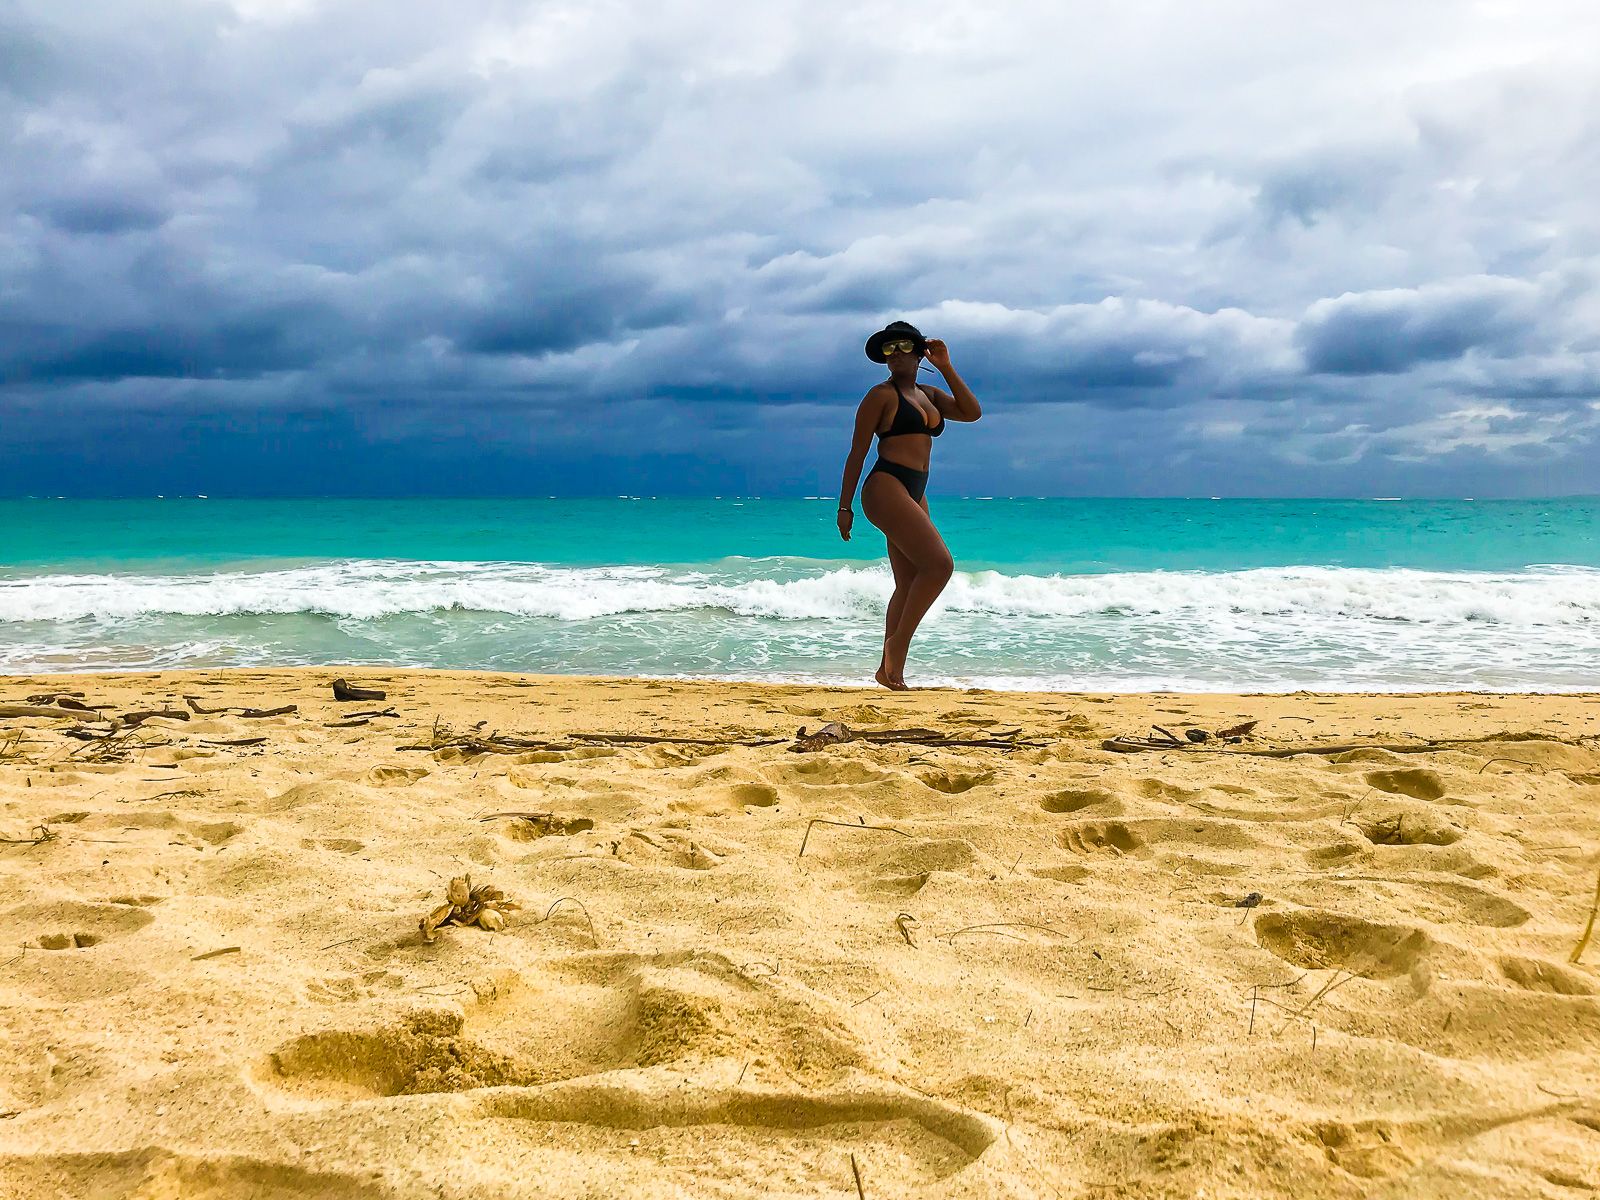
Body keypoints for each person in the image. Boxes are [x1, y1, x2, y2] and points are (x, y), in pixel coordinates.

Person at [836, 321, 982, 690]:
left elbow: (971, 412)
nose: (895, 353)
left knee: (909, 580)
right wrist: (844, 507)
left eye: (903, 346)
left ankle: (889, 672)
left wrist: (946, 366)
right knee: (939, 565)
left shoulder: (930, 394)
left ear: (919, 352)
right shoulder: (879, 396)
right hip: (886, 486)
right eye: (889, 349)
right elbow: (857, 452)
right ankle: (896, 647)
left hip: (916, 490)